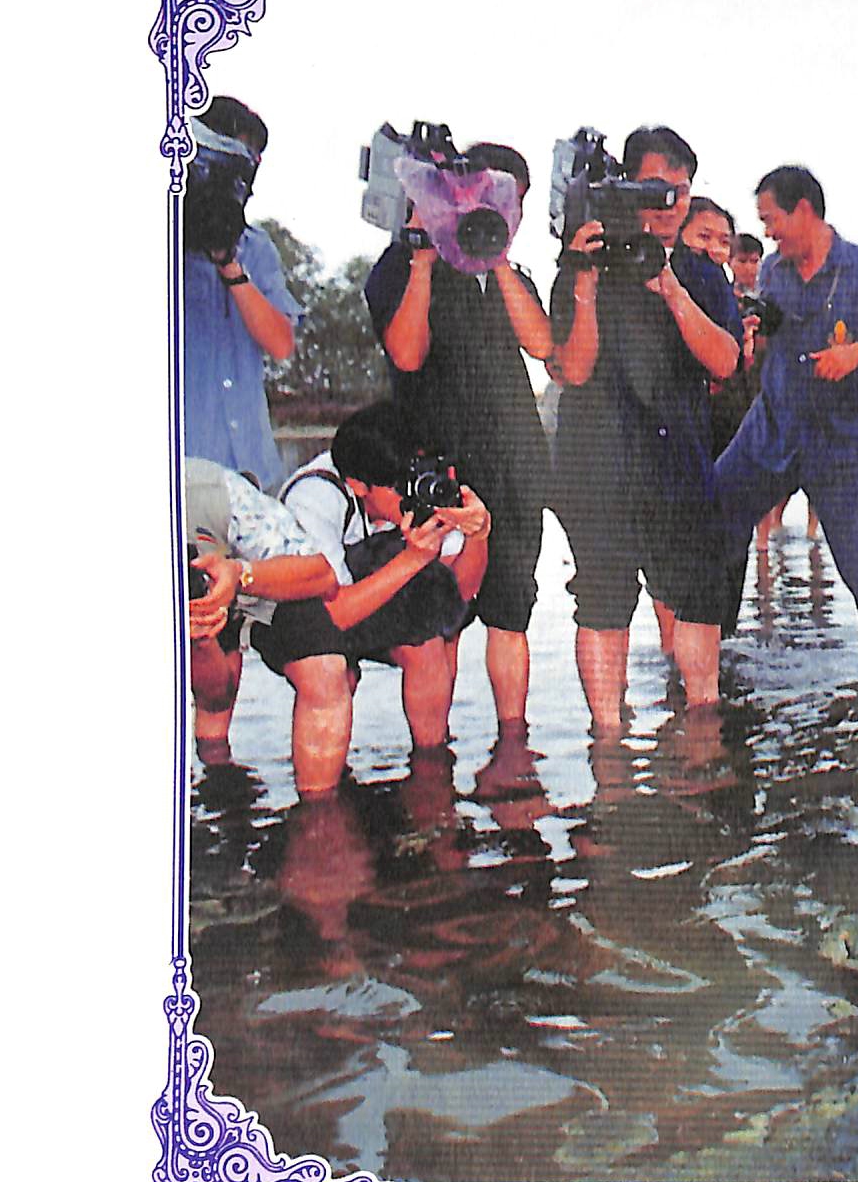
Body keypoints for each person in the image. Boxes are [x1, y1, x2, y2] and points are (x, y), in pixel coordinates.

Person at [547, 124, 742, 734]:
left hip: (679, 462)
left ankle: (700, 729)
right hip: (597, 462)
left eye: (681, 192)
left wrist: (672, 290)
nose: (669, 205)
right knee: (602, 603)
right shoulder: (583, 261)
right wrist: (583, 281)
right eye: (655, 189)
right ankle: (608, 741)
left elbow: (726, 361)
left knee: (697, 600)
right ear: (625, 187)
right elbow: (571, 368)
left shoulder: (702, 273)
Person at [713, 166, 858, 674]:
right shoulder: (773, 272)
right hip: (771, 429)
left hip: (841, 444)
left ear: (804, 211)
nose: (768, 233)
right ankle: (717, 653)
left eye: (772, 220)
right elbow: (769, 340)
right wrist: (753, 332)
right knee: (713, 517)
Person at [365, 139, 553, 730]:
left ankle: (514, 743)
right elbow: (406, 353)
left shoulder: (508, 271)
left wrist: (494, 257)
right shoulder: (399, 263)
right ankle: (433, 757)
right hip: (438, 466)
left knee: (511, 614)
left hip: (514, 467)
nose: (498, 212)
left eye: (511, 204)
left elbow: (542, 344)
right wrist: (426, 255)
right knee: (438, 622)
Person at [264, 402, 492, 792]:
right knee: (335, 673)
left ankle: (433, 772)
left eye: (415, 477)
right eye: (400, 485)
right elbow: (333, 615)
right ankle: (323, 798)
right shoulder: (314, 497)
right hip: (295, 609)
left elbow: (460, 593)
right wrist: (413, 559)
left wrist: (479, 534)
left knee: (428, 642)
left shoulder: (425, 487)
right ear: (359, 484)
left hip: (365, 588)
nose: (412, 492)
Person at [185, 456, 340, 771]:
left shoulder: (218, 493)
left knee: (323, 664)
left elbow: (322, 575)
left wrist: (239, 575)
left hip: (219, 577)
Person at [181, 96, 302, 484]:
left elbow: (281, 344)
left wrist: (230, 265)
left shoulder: (257, 248)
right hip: (187, 470)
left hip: (254, 468)